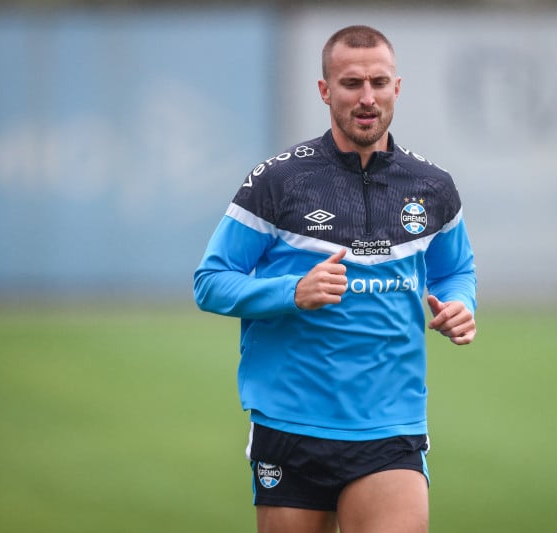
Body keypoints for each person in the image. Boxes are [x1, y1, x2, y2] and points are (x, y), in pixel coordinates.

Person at [194, 25, 477, 533]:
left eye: (378, 82)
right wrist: (291, 292)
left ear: (397, 87)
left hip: (391, 427)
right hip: (290, 426)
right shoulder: (278, 181)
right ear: (325, 90)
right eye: (351, 84)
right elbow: (211, 282)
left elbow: (455, 269)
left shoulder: (433, 186)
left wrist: (460, 303)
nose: (367, 98)